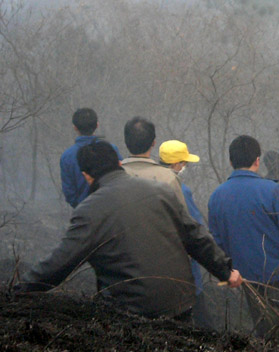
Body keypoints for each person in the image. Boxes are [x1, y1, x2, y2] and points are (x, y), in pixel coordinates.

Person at [18, 141, 242, 319]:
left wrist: (19, 291)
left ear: (87, 175)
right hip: (180, 301)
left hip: (131, 312)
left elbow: (61, 262)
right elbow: (196, 236)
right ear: (118, 163)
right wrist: (225, 271)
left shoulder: (89, 210)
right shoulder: (160, 190)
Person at [208, 136, 279, 337]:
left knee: (265, 330)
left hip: (248, 280)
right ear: (257, 160)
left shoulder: (217, 197)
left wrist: (229, 270)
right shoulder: (272, 190)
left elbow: (217, 240)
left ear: (231, 162)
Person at [158, 139, 213, 327]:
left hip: (160, 268)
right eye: (185, 163)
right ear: (176, 165)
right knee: (201, 320)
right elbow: (196, 227)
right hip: (185, 269)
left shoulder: (147, 183)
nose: (186, 167)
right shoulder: (181, 189)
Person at [120, 116, 187, 211]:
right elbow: (183, 218)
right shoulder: (169, 178)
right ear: (153, 143)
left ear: (126, 142)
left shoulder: (112, 176)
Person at [59, 108, 121, 208]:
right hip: (111, 209)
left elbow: (69, 193)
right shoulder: (111, 149)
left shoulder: (67, 157)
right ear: (97, 125)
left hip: (83, 211)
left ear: (75, 127)